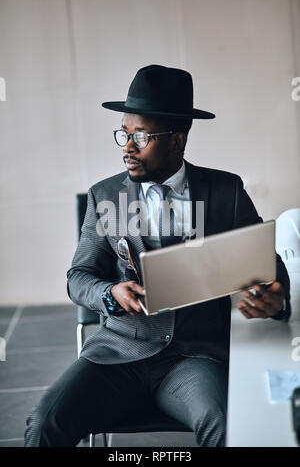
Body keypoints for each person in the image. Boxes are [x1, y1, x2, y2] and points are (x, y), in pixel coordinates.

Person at [24, 65, 291, 447]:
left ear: (178, 141)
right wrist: (109, 294)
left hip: (195, 360)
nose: (127, 147)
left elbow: (267, 266)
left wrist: (276, 299)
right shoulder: (105, 197)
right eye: (124, 133)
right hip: (117, 355)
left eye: (141, 136)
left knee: (228, 424)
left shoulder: (225, 191)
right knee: (44, 422)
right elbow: (79, 276)